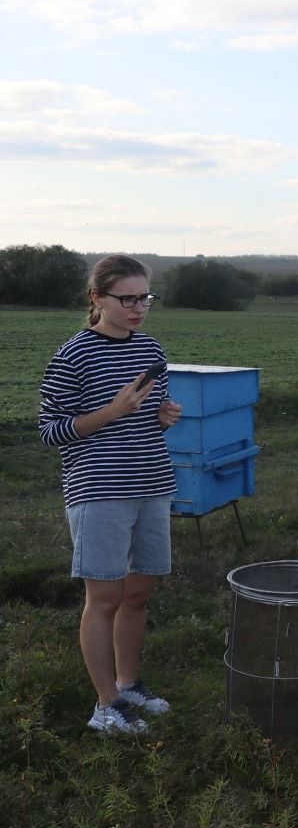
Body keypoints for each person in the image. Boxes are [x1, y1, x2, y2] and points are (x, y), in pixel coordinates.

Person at [39, 254, 183, 735]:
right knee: (104, 597)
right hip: (99, 490)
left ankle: (128, 683)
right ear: (97, 298)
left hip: (152, 483)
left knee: (137, 594)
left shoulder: (150, 349)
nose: (139, 307)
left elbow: (150, 412)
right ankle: (106, 705)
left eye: (145, 297)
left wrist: (161, 415)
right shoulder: (73, 354)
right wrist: (111, 411)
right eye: (128, 298)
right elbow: (51, 431)